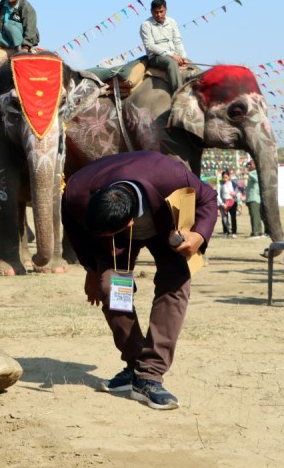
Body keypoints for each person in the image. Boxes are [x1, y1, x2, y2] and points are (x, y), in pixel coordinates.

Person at [62, 151, 217, 410]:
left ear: (130, 221)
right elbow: (75, 228)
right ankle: (136, 367)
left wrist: (198, 236)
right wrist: (90, 268)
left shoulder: (171, 175)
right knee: (111, 290)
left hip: (167, 227)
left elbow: (208, 198)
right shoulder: (77, 191)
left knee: (175, 285)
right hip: (115, 244)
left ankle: (151, 374)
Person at [140, 0, 189, 91]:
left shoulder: (172, 22)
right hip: (156, 57)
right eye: (156, 12)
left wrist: (183, 56)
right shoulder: (146, 25)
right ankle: (178, 92)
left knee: (190, 64)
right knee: (171, 63)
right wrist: (171, 55)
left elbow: (177, 40)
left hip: (174, 55)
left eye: (161, 11)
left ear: (166, 9)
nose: (158, 15)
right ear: (151, 12)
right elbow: (149, 46)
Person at [244, 160, 263, 238]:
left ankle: (256, 232)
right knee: (254, 215)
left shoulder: (255, 172)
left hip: (254, 198)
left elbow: (256, 179)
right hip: (251, 198)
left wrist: (247, 172)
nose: (249, 166)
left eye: (250, 164)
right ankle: (257, 231)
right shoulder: (251, 173)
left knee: (255, 216)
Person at [217, 170, 238, 237]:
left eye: (226, 177)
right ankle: (227, 231)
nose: (225, 179)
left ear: (229, 177)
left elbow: (236, 192)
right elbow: (218, 195)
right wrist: (222, 204)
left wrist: (235, 197)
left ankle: (234, 232)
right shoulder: (220, 184)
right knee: (224, 219)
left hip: (232, 202)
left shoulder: (232, 183)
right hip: (224, 203)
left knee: (233, 217)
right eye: (224, 177)